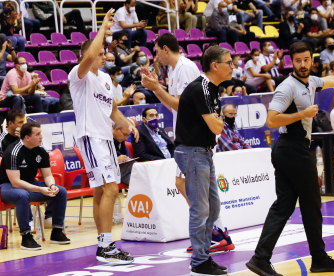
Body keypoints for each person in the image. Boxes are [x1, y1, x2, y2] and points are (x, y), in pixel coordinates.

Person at [245, 41, 334, 276]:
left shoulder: (311, 81)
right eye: (298, 61)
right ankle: (319, 259)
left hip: (288, 150)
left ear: (312, 60)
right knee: (311, 205)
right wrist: (303, 114)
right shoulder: (287, 87)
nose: (303, 64)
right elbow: (272, 120)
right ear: (291, 62)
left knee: (283, 205)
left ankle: (260, 258)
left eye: (306, 60)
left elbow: (329, 81)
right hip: (293, 149)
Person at [141, 35, 234, 253]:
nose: (155, 56)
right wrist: (157, 88)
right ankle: (214, 234)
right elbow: (177, 106)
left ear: (166, 49)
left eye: (156, 51)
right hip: (189, 140)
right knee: (188, 189)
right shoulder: (174, 71)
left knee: (192, 193)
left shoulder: (185, 68)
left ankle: (214, 234)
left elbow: (183, 105)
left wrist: (156, 88)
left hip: (196, 141)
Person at [68, 9, 138, 264]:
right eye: (98, 54)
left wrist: (128, 126)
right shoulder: (78, 75)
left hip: (106, 139)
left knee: (102, 190)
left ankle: (102, 243)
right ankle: (108, 246)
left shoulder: (107, 79)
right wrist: (102, 29)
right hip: (90, 138)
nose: (102, 57)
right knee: (110, 188)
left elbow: (112, 110)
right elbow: (88, 54)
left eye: (103, 54)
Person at [174, 45, 232, 276]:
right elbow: (218, 125)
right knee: (200, 209)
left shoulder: (213, 89)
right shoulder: (202, 89)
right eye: (229, 62)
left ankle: (204, 255)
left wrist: (218, 119)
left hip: (203, 151)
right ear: (215, 65)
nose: (232, 67)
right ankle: (199, 262)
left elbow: (217, 124)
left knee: (213, 207)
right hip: (193, 151)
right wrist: (219, 119)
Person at [0, 122, 70, 250]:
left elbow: (47, 175)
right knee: (22, 195)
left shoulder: (41, 151)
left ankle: (57, 232)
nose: (41, 137)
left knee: (61, 192)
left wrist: (52, 185)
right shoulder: (13, 151)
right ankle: (26, 237)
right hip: (6, 187)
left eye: (41, 134)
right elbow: (15, 182)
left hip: (29, 184)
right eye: (38, 134)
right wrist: (40, 189)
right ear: (27, 137)